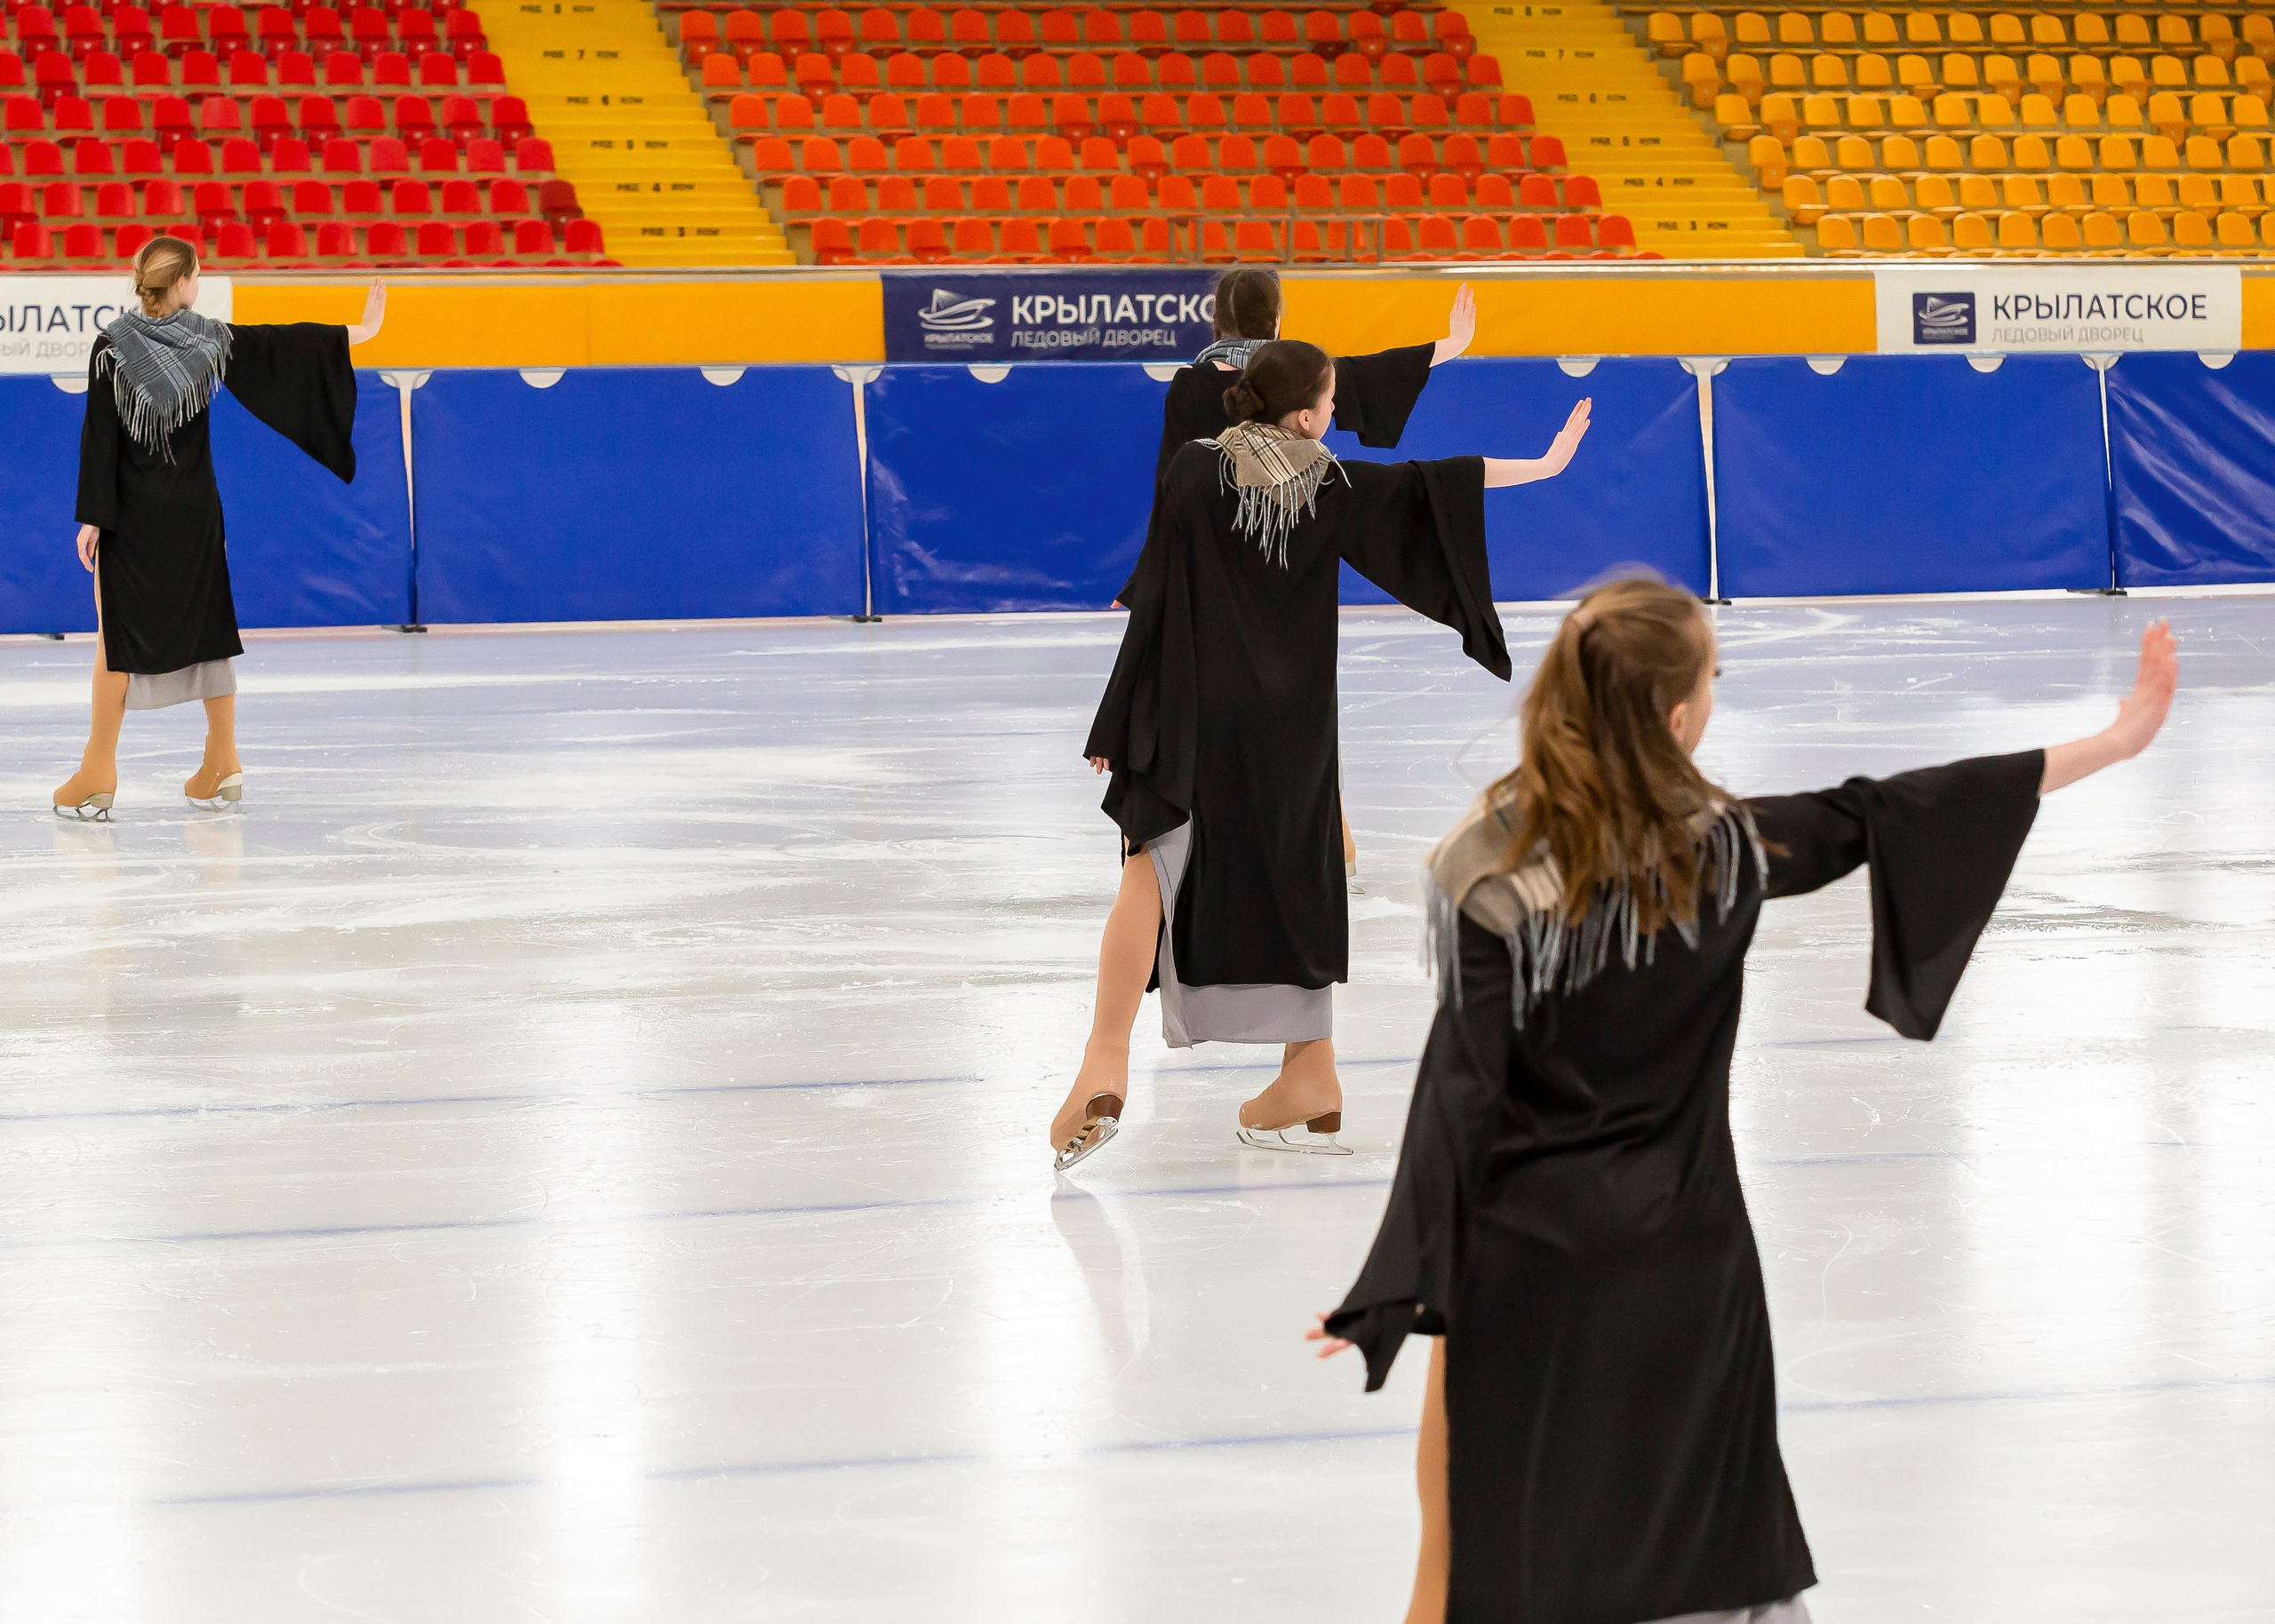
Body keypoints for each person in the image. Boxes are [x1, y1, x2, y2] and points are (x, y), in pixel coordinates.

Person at [1306, 578, 2181, 1624]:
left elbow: (1459, 1092)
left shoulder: (1486, 867)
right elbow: (1886, 809)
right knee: (1713, 1553)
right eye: (1713, 676)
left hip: (1528, 1272)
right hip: (1687, 1270)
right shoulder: (1723, 851)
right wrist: (2113, 742)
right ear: (1677, 718)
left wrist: (1396, 1280)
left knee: (1485, 1563)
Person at [1051, 339, 1593, 1171]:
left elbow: (1157, 592)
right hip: (1292, 731)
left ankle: (1106, 1059)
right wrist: (1548, 466)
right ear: (1304, 417)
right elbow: (1434, 485)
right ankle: (1310, 1071)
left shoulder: (1194, 470)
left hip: (1194, 714)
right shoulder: (1330, 486)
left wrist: (1119, 718)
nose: (1336, 415)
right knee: (1300, 879)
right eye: (1332, 404)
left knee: (1149, 871)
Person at [1150, 270, 1480, 891]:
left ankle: (1203, 845)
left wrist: (1150, 577)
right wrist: (1449, 345)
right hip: (1285, 568)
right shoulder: (1291, 375)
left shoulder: (1191, 386)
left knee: (1214, 707)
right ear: (1276, 318)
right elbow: (1362, 377)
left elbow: (1169, 486)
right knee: (1299, 706)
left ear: (1217, 319)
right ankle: (1337, 841)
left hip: (1215, 576)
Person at [52, 239, 387, 820]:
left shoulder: (112, 346)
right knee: (210, 630)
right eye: (197, 275)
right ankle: (223, 761)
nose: (200, 284)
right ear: (180, 282)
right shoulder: (208, 340)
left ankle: (98, 771)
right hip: (195, 513)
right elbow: (283, 346)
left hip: (132, 517)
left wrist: (93, 517)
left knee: (116, 639)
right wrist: (359, 331)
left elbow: (99, 438)